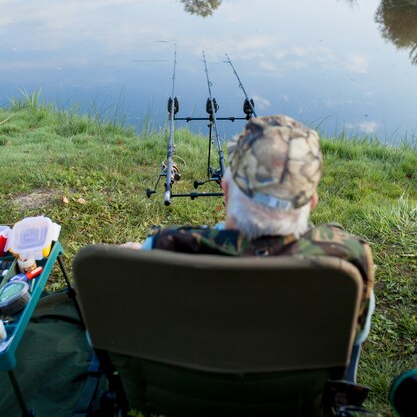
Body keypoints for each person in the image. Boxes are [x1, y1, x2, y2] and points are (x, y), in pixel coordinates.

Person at [124, 114, 375, 382]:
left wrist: (128, 261)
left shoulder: (162, 250)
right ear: (312, 203)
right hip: (294, 398)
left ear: (226, 191)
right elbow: (354, 339)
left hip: (181, 391)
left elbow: (109, 335)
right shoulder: (348, 268)